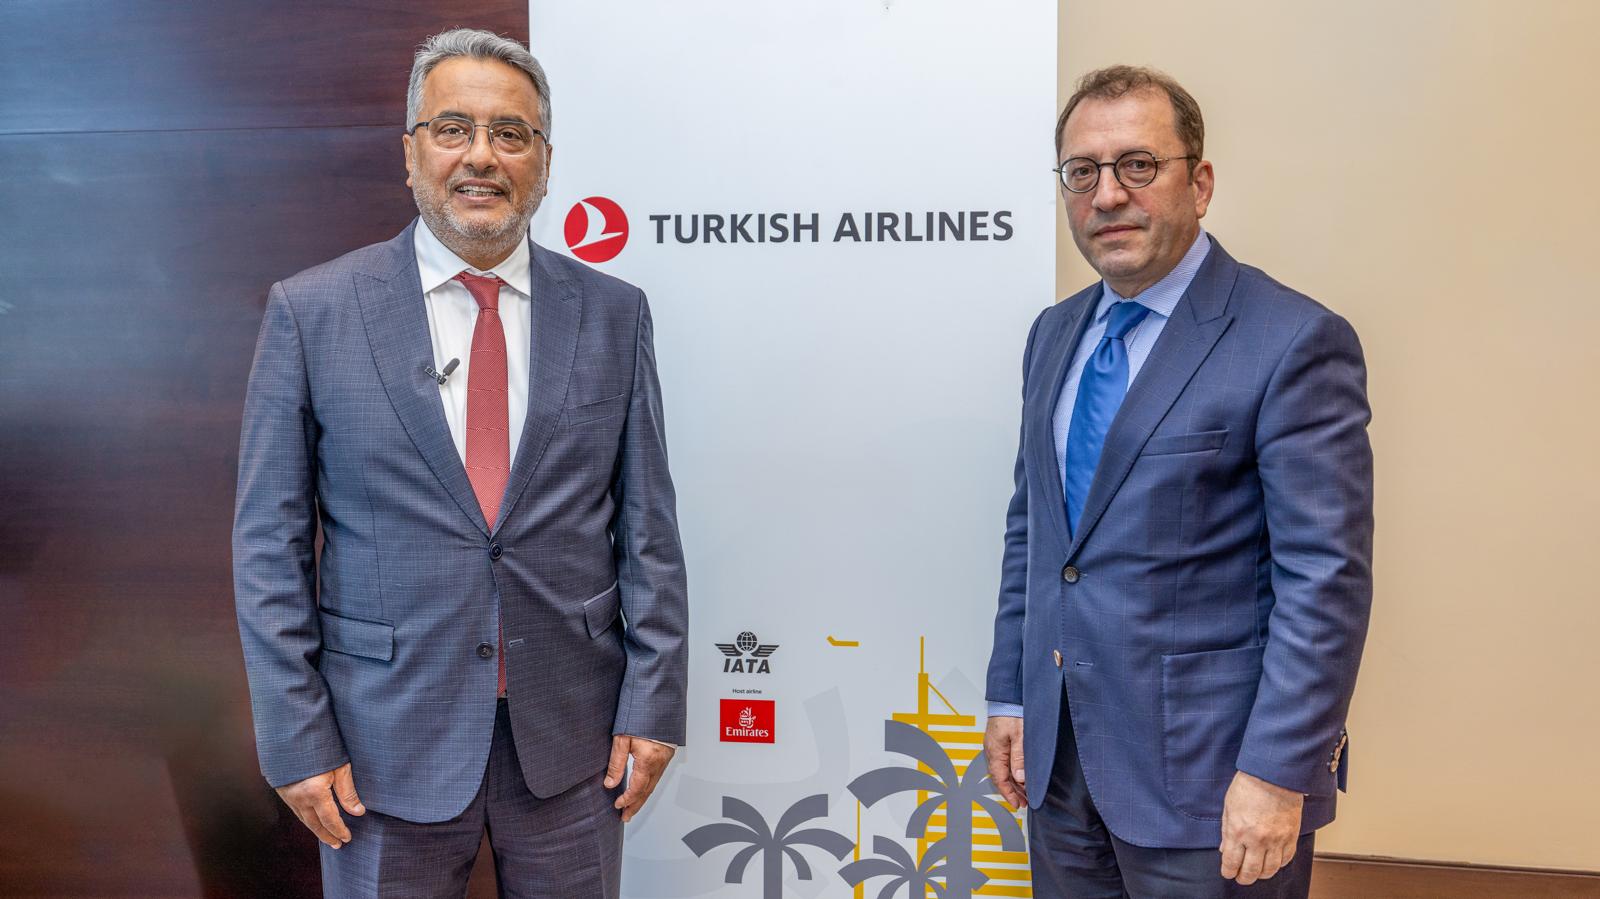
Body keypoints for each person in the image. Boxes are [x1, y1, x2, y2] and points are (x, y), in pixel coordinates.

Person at [232, 28, 687, 898]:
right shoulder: (313, 312)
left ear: (544, 163)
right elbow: (268, 547)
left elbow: (649, 531)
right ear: (411, 153)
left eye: (510, 133)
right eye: (453, 129)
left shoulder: (614, 313)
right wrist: (295, 735)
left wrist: (655, 704)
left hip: (575, 743)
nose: (482, 155)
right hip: (378, 747)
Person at [983, 66, 1373, 898]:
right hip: (1060, 772)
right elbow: (1035, 534)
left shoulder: (1292, 340)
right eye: (1082, 171)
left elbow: (1325, 579)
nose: (1107, 194)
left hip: (1216, 786)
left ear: (1199, 184)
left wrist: (1279, 771)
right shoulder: (1053, 335)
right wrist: (1011, 695)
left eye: (1138, 164)